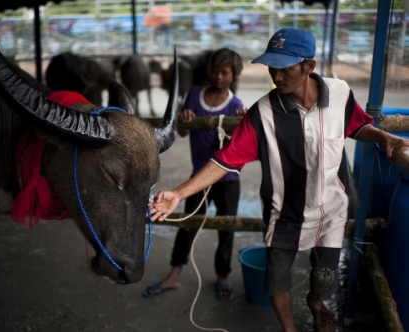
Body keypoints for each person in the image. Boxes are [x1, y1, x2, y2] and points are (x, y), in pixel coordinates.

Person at [147, 28, 409, 332]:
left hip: (331, 211)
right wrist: (179, 194)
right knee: (275, 280)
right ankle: (289, 329)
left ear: (308, 66)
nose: (276, 76)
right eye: (272, 67)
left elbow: (356, 125)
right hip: (284, 212)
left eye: (284, 68)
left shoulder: (340, 93)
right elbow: (225, 159)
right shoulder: (262, 114)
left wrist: (382, 135)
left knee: (325, 278)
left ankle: (315, 301)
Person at [142, 48, 246, 301]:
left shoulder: (237, 107)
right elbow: (184, 133)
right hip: (197, 178)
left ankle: (223, 275)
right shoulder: (194, 95)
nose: (218, 76)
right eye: (214, 71)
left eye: (224, 72)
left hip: (228, 179)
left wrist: (237, 125)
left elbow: (235, 148)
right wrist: (185, 118)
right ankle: (174, 275)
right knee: (187, 223)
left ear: (234, 74)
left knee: (226, 228)